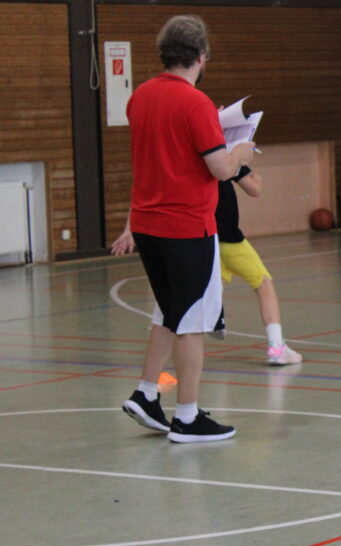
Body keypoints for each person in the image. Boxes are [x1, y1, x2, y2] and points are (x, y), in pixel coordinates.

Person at [118, 14, 254, 443]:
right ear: (201, 55)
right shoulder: (195, 104)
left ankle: (146, 393)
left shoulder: (140, 97)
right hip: (186, 227)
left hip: (147, 224)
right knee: (191, 321)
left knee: (169, 310)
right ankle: (188, 417)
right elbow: (219, 168)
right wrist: (241, 153)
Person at [113, 165, 303, 365]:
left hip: (201, 241)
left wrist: (129, 228)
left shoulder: (180, 167)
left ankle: (215, 318)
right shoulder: (223, 159)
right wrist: (242, 166)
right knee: (263, 284)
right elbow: (255, 188)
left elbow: (143, 191)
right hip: (227, 240)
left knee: (214, 282)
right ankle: (276, 346)